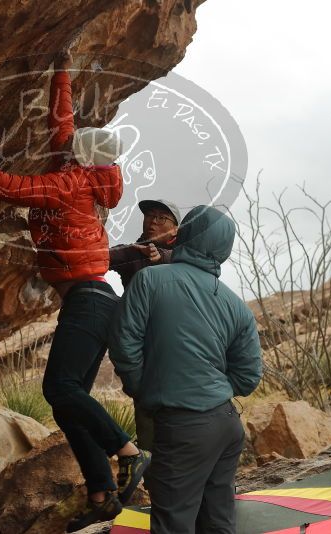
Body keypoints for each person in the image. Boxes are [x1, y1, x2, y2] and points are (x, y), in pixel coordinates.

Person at [0, 48, 150, 532]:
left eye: (74, 144)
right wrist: (60, 70)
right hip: (93, 299)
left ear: (80, 157)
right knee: (68, 405)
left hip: (88, 300)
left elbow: (5, 185)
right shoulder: (84, 171)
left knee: (58, 389)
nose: (67, 141)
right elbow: (61, 122)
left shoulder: (65, 183)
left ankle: (127, 451)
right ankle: (101, 490)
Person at [109, 205, 263, 534]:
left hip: (181, 427)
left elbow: (124, 344)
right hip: (226, 426)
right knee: (218, 521)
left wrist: (143, 387)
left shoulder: (150, 280)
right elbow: (248, 377)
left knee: (173, 523)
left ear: (185, 234)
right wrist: (213, 389)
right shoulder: (236, 305)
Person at [109, 198, 180, 451]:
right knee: (148, 413)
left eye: (161, 218)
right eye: (149, 215)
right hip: (143, 348)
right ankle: (151, 473)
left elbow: (186, 265)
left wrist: (160, 258)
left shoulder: (185, 255)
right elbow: (103, 257)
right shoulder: (133, 251)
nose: (153, 221)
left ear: (175, 229)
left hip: (177, 348)